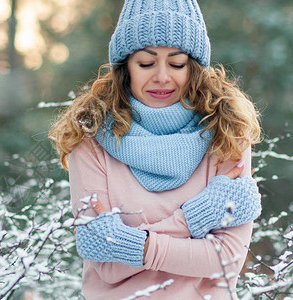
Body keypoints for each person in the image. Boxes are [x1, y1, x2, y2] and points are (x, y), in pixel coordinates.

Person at [48, 0, 262, 299]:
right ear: (126, 68)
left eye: (177, 63)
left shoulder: (227, 133)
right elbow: (105, 263)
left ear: (195, 68)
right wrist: (195, 218)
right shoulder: (89, 136)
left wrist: (132, 245)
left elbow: (226, 259)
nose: (162, 76)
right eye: (146, 63)